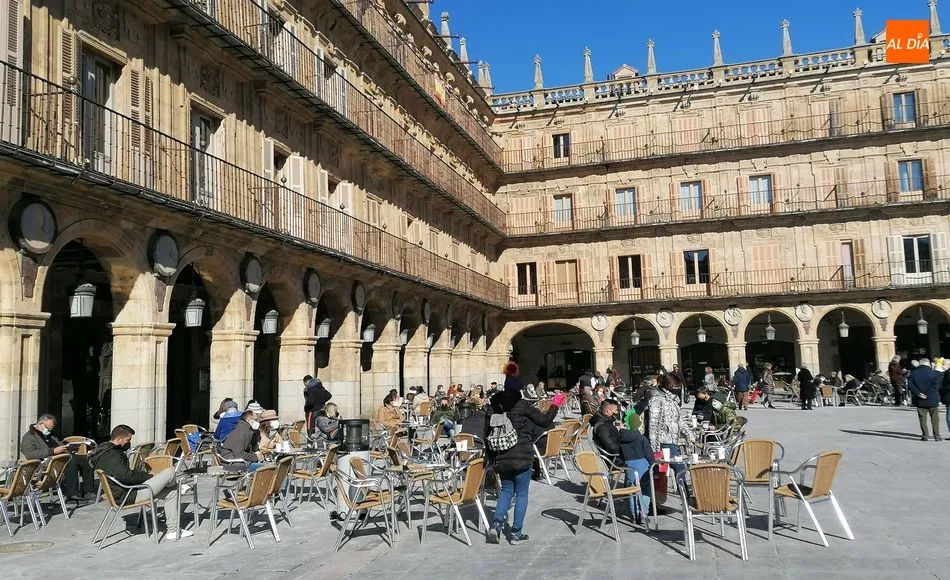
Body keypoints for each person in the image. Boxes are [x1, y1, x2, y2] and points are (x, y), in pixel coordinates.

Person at [485, 385, 564, 544]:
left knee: (507, 490)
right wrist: (555, 404)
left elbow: (487, 435)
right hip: (522, 455)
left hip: (502, 456)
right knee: (521, 494)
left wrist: (492, 460)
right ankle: (516, 532)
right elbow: (544, 421)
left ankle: (496, 524)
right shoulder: (522, 405)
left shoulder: (493, 409)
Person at [88, 424, 193, 539]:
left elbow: (123, 475)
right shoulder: (112, 455)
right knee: (170, 471)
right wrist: (148, 476)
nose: (128, 443)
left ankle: (173, 530)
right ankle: (178, 486)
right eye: (127, 440)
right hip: (128, 495)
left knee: (171, 492)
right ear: (119, 439)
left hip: (124, 492)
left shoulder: (104, 452)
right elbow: (127, 477)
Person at [590, 400, 653, 524]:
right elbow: (613, 448)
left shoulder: (606, 423)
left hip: (625, 459)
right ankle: (645, 510)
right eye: (615, 411)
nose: (618, 413)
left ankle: (636, 513)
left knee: (633, 484)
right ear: (608, 411)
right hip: (618, 460)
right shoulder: (603, 427)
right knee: (646, 481)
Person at [20, 414, 95, 500]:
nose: (49, 430)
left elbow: (57, 443)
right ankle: (72, 494)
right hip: (44, 461)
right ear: (41, 424)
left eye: (51, 428)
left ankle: (88, 491)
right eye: (48, 428)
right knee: (70, 460)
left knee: (85, 459)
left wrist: (68, 447)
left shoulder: (49, 435)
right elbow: (30, 454)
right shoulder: (29, 436)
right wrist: (52, 451)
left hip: (57, 456)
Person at [646, 374, 696, 481]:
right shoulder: (656, 399)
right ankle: (683, 493)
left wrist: (689, 433)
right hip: (663, 440)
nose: (678, 389)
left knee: (674, 470)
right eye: (676, 387)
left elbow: (678, 419)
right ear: (668, 386)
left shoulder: (673, 399)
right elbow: (653, 424)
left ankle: (679, 492)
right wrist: (654, 448)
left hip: (673, 440)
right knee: (678, 468)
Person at [907, 358, 941, 441]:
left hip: (920, 399)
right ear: (928, 364)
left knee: (922, 418)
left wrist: (918, 393)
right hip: (932, 398)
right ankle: (937, 435)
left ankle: (925, 435)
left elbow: (910, 385)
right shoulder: (933, 373)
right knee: (935, 419)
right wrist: (928, 393)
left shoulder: (913, 373)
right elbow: (936, 386)